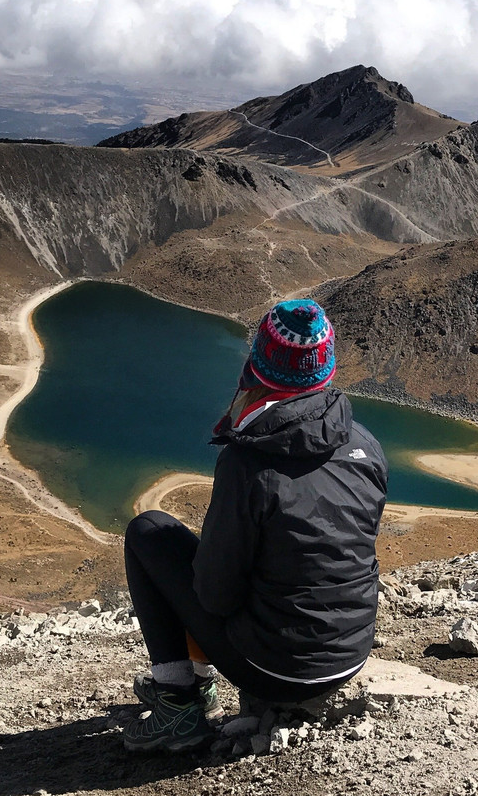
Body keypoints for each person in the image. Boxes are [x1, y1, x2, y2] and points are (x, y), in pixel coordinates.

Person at [122, 299, 388, 752]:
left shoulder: (249, 462)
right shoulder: (365, 444)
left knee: (150, 532)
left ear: (259, 367)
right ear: (326, 370)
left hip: (280, 671)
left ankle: (179, 704)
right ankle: (199, 684)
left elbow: (214, 595)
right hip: (350, 656)